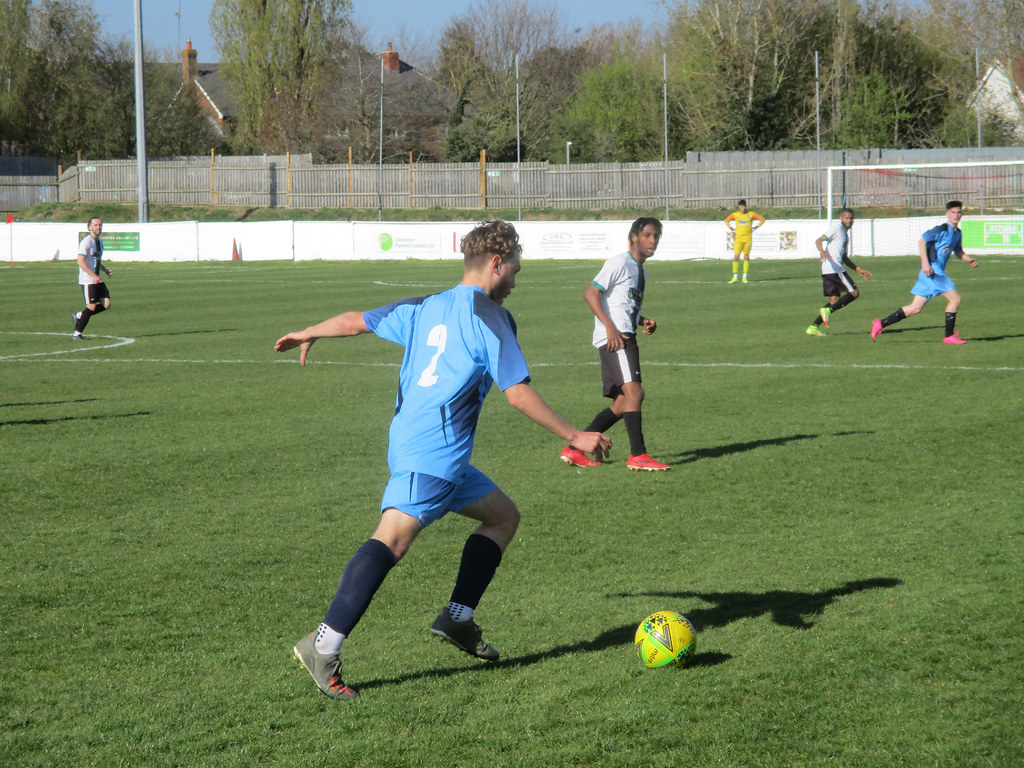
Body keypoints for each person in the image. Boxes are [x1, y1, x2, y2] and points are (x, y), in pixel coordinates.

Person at [275, 219, 610, 700]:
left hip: (435, 453)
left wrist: (310, 331)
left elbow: (355, 321)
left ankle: (458, 618)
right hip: (432, 452)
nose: (517, 277)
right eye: (515, 267)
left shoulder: (426, 306)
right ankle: (322, 645)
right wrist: (576, 434)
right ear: (496, 264)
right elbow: (516, 394)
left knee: (502, 517)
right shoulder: (491, 316)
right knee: (390, 540)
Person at [559, 216, 670, 472]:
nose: (653, 241)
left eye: (656, 237)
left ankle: (574, 449)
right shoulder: (619, 262)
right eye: (647, 236)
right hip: (617, 337)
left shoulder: (642, 271)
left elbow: (622, 303)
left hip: (626, 333)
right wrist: (611, 328)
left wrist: (642, 320)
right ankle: (638, 455)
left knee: (622, 404)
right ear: (634, 237)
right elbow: (591, 293)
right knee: (635, 394)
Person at [871, 200, 978, 344]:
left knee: (915, 308)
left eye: (958, 212)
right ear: (947, 214)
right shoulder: (941, 229)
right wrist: (926, 263)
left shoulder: (957, 233)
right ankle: (949, 336)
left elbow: (958, 251)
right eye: (953, 212)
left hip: (928, 274)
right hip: (933, 271)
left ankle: (880, 324)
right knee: (955, 299)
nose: (956, 215)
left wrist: (968, 259)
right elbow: (922, 241)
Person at [806, 208, 872, 336]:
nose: (849, 221)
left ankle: (813, 326)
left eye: (851, 218)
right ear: (841, 218)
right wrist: (822, 251)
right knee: (854, 292)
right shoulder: (836, 228)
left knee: (834, 300)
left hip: (829, 268)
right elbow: (819, 240)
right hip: (834, 268)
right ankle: (828, 311)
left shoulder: (845, 235)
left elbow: (844, 258)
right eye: (847, 218)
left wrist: (858, 269)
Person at [71, 217, 112, 339]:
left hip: (97, 278)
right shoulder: (86, 242)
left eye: (100, 225)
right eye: (96, 225)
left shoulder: (100, 241)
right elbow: (80, 261)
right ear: (89, 227)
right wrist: (93, 275)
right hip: (88, 280)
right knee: (92, 306)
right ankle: (77, 333)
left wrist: (105, 271)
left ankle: (79, 315)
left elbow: (96, 260)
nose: (98, 227)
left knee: (107, 304)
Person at [724, 199, 765, 283]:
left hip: (747, 239)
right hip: (738, 239)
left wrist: (755, 227)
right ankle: (735, 277)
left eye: (744, 206)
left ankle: (744, 277)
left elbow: (762, 219)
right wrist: (732, 229)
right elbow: (726, 220)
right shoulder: (735, 215)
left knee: (746, 256)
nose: (743, 208)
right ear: (739, 207)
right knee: (736, 257)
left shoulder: (751, 214)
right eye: (742, 206)